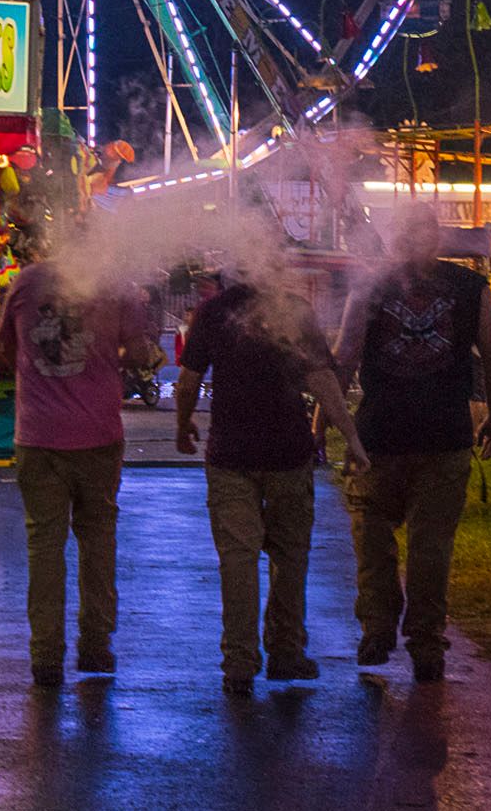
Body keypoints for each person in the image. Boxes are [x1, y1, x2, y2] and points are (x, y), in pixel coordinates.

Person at [175, 261, 369, 695]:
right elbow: (322, 378)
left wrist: (183, 425)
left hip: (231, 456)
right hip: (288, 452)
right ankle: (286, 653)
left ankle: (239, 662)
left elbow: (188, 379)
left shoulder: (214, 312)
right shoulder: (294, 310)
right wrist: (351, 439)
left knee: (238, 561)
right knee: (290, 556)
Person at [335, 208, 491, 683]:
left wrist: (324, 423)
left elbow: (345, 357)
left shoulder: (369, 286)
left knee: (371, 537)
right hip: (444, 435)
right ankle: (426, 644)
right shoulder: (471, 288)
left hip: (378, 437)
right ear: (438, 240)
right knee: (432, 547)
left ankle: (376, 629)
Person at [0, 220, 147, 688]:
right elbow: (140, 353)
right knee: (98, 541)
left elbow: (0, 354)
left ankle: (45, 657)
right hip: (98, 436)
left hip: (38, 438)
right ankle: (96, 648)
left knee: (45, 547)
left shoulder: (26, 283)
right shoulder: (116, 286)